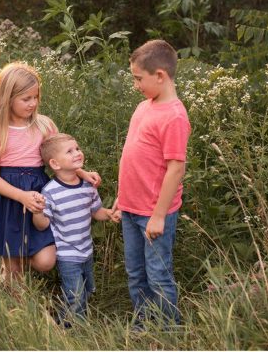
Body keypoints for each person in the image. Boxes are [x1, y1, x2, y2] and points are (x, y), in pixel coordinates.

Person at [0, 62, 101, 283]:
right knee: (12, 263)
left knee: (45, 261)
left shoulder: (44, 125)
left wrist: (82, 173)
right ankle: (16, 295)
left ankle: (13, 269)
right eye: (26, 99)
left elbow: (61, 155)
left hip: (40, 195)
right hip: (8, 199)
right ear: (7, 98)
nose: (33, 103)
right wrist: (21, 196)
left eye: (35, 97)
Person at [111, 39, 191, 327]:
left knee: (158, 273)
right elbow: (130, 155)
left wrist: (158, 216)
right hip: (132, 207)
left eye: (138, 78)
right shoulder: (145, 107)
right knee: (135, 272)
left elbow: (175, 169)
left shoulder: (174, 117)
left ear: (160, 75)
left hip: (154, 214)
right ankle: (144, 324)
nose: (136, 85)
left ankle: (170, 331)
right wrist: (122, 196)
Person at [32, 133, 113, 324]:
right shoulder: (50, 191)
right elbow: (42, 224)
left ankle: (63, 319)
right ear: (55, 164)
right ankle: (72, 329)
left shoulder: (88, 185)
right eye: (70, 151)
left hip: (86, 250)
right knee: (75, 295)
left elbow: (97, 211)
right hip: (67, 254)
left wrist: (110, 214)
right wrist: (38, 211)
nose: (77, 153)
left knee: (85, 291)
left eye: (77, 148)